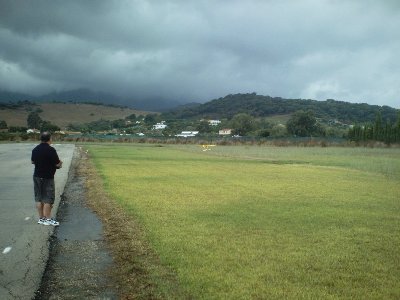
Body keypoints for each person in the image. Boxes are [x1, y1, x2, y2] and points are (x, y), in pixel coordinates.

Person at [31, 132, 63, 226]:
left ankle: (41, 219)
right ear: (49, 139)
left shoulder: (35, 149)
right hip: (47, 177)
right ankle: (48, 219)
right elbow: (57, 164)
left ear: (41, 139)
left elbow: (32, 161)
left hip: (37, 176)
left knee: (39, 197)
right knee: (48, 198)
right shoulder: (51, 150)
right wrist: (61, 163)